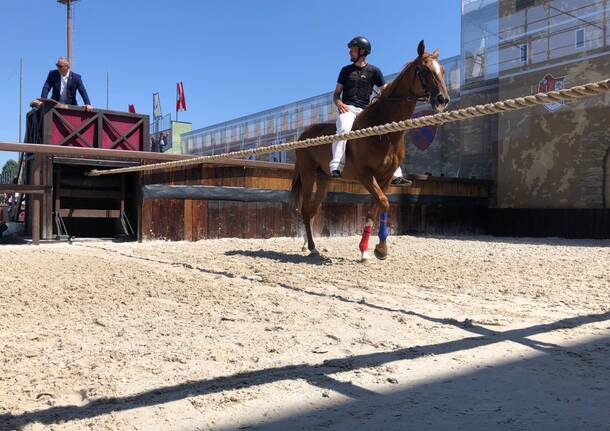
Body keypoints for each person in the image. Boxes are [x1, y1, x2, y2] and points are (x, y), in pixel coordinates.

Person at [331, 36, 410, 185]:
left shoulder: (375, 71)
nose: (349, 52)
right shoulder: (345, 70)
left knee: (388, 130)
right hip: (348, 109)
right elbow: (336, 93)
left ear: (362, 51)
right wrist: (338, 102)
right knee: (344, 128)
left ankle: (396, 174)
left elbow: (385, 92)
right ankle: (336, 166)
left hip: (366, 112)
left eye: (352, 49)